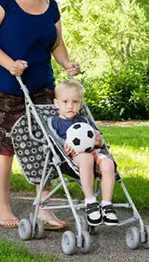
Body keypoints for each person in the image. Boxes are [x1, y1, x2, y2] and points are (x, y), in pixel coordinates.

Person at [0, 0, 79, 230]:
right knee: (6, 147)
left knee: (46, 144)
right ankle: (3, 209)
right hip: (3, 84)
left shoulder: (50, 3)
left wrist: (67, 64)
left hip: (42, 85)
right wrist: (9, 63)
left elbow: (57, 43)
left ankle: (44, 209)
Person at [50, 80, 118, 226]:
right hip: (71, 158)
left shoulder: (85, 121)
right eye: (65, 101)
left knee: (108, 162)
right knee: (86, 158)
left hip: (93, 152)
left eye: (75, 102)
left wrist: (98, 140)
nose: (70, 106)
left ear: (81, 104)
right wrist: (64, 146)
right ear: (57, 103)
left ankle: (106, 204)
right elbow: (55, 141)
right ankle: (91, 201)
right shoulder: (54, 122)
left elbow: (98, 138)